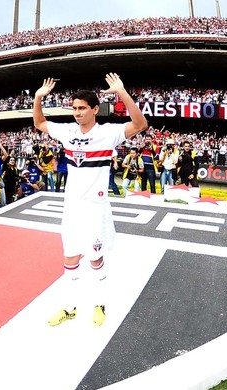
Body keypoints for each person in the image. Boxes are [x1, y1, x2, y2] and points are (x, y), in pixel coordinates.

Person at [33, 73, 147, 327]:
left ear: (95, 109)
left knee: (95, 259)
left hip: (95, 209)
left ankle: (100, 304)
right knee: (70, 259)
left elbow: (140, 125)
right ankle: (70, 308)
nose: (77, 112)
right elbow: (40, 123)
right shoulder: (67, 131)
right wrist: (38, 98)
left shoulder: (108, 133)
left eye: (82, 108)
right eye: (74, 108)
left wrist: (122, 93)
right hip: (72, 208)